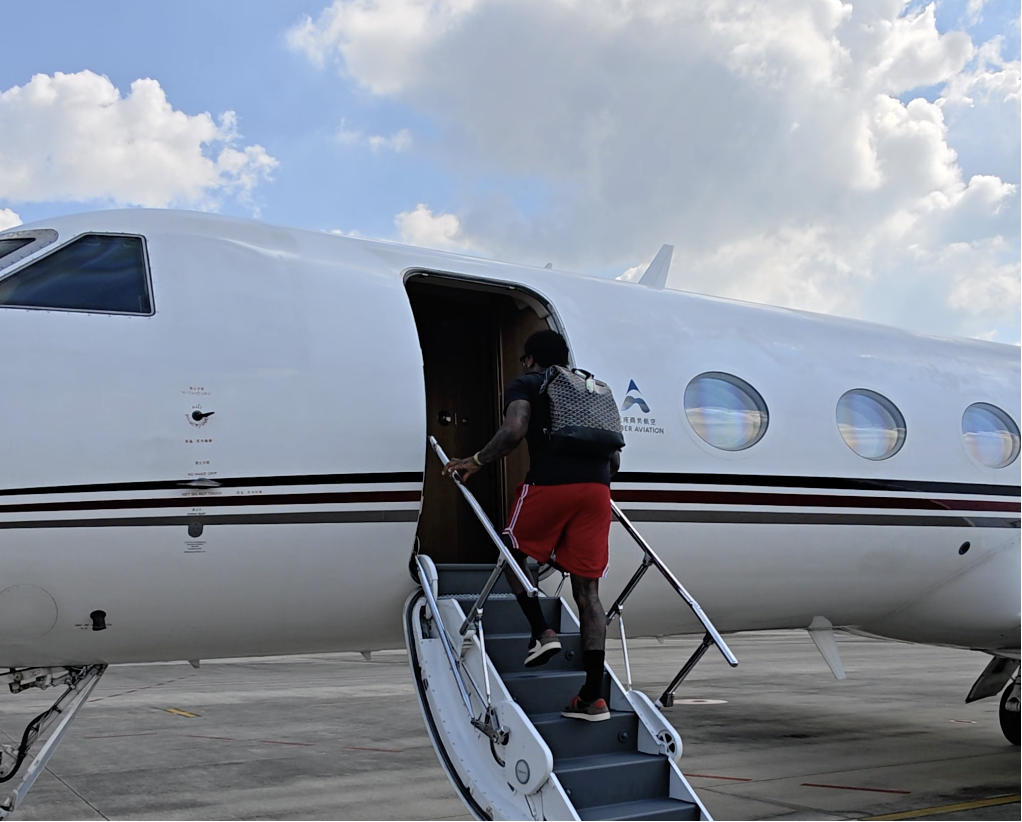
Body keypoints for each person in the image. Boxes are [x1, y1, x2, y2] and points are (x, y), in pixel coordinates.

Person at [444, 330, 620, 722]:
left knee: (511, 550)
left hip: (550, 486)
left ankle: (542, 632)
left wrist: (475, 460)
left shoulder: (528, 383)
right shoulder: (589, 391)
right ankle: (593, 698)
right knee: (588, 593)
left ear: (529, 360)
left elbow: (513, 430)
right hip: (597, 491)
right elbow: (615, 462)